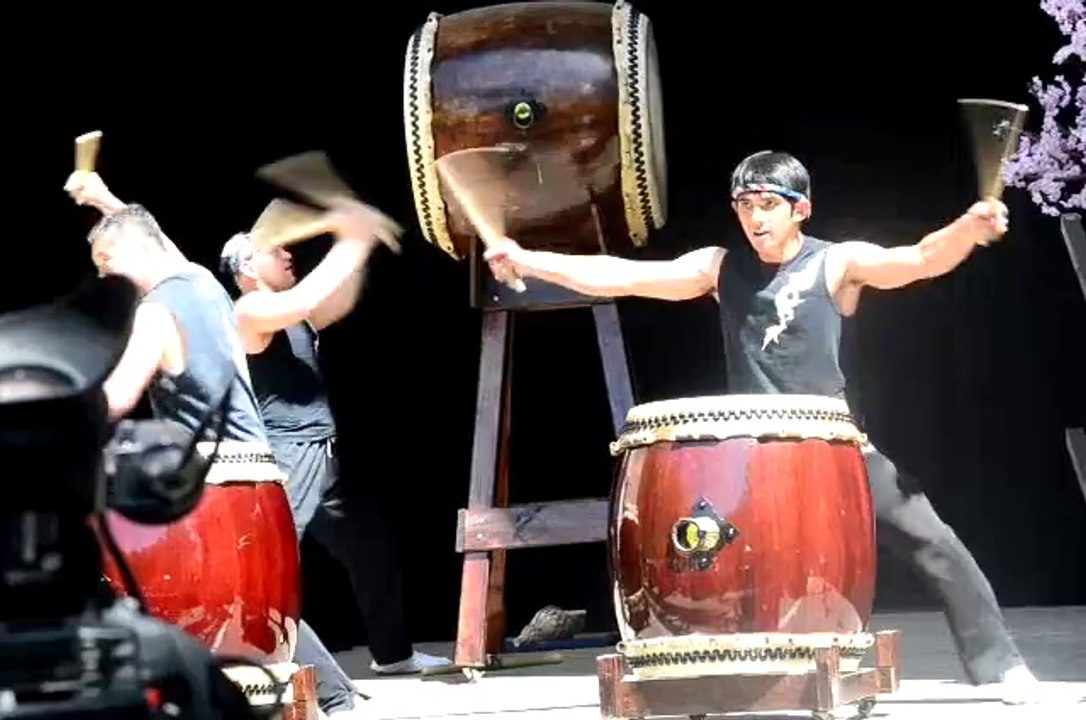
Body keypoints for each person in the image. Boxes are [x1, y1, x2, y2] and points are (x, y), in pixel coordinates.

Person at [483, 150, 1043, 705]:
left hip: (834, 448)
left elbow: (919, 258)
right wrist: (529, 261)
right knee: (709, 558)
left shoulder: (836, 263)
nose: (756, 217)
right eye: (745, 204)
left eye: (769, 204)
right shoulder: (719, 268)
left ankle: (1000, 665)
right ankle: (727, 675)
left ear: (801, 209)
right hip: (754, 459)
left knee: (935, 543)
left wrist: (969, 229)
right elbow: (624, 277)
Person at [64, 170, 370, 719]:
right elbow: (153, 240)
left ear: (125, 252)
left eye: (105, 265)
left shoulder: (156, 312)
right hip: (262, 490)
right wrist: (106, 199)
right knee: (263, 649)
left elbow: (117, 396)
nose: (105, 279)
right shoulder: (203, 282)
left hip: (208, 506)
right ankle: (323, 696)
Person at [217, 216, 450, 676]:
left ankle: (393, 655)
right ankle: (254, 662)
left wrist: (359, 251)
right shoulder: (248, 311)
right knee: (273, 568)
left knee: (372, 549)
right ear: (247, 268)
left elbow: (334, 300)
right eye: (275, 249)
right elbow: (308, 297)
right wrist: (351, 237)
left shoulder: (291, 310)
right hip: (286, 457)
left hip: (325, 452)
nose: (287, 254)